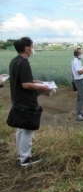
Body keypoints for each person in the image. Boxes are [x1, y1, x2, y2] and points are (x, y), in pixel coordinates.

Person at [8, 37, 51, 166]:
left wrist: (35, 82)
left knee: (21, 129)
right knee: (27, 130)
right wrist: (43, 87)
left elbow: (22, 80)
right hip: (27, 102)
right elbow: (26, 85)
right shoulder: (24, 63)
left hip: (18, 100)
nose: (33, 49)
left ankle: (21, 154)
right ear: (26, 48)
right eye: (32, 46)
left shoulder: (14, 61)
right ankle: (26, 159)